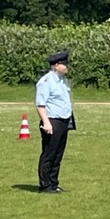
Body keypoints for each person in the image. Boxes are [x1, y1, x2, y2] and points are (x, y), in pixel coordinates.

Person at [35, 50, 74, 194]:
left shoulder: (62, 81)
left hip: (63, 120)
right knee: (49, 154)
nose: (67, 66)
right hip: (52, 121)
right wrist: (46, 123)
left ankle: (53, 183)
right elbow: (40, 104)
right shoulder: (46, 82)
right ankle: (45, 185)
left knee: (58, 155)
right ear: (56, 65)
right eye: (64, 64)